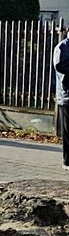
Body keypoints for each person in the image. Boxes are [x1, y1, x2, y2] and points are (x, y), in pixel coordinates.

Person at [55, 29, 69, 170]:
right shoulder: (63, 46)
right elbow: (60, 66)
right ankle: (67, 161)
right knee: (67, 131)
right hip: (67, 96)